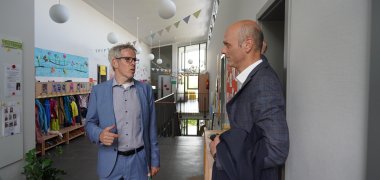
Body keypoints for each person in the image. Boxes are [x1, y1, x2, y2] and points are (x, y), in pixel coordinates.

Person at [209, 20, 289, 180]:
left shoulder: (264, 82)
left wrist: (221, 152)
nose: (223, 50)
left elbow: (276, 149)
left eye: (227, 45)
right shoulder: (255, 78)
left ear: (247, 45)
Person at [85, 43, 160, 179]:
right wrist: (99, 134)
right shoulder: (98, 91)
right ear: (115, 62)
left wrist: (155, 160)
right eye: (128, 59)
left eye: (134, 60)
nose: (133, 64)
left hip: (139, 161)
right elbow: (89, 123)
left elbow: (152, 129)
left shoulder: (145, 90)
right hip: (110, 163)